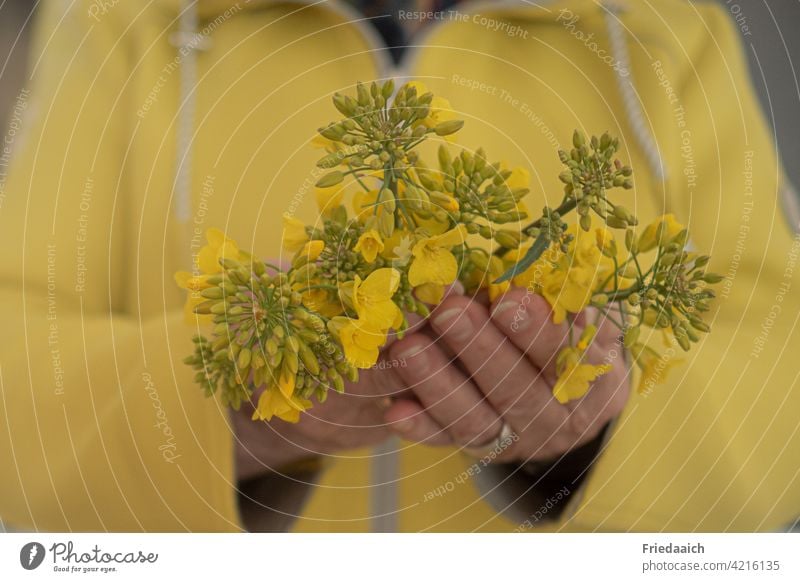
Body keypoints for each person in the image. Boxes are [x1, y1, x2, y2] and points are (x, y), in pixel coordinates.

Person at [1, 0, 798, 533]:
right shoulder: (117, 17)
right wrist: (223, 418)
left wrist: (593, 435)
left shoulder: (668, 26)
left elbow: (779, 396)